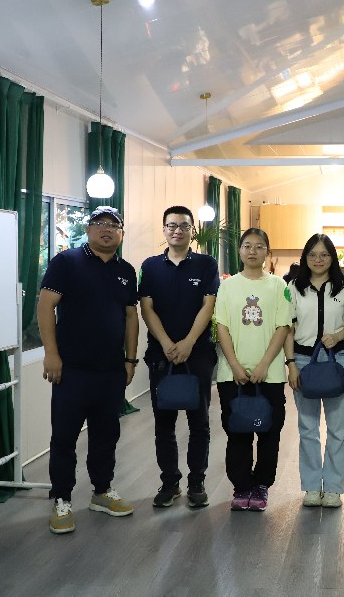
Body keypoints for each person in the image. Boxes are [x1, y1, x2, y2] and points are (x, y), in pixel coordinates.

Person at [37, 206, 139, 535]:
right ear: (88, 228)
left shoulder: (126, 270)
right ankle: (61, 499)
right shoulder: (66, 262)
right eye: (99, 223)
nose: (106, 229)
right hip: (71, 370)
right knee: (64, 437)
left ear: (121, 233)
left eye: (114, 225)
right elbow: (45, 306)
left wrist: (130, 360)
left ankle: (102, 491)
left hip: (110, 371)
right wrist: (51, 354)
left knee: (106, 435)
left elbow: (131, 317)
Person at [138, 205, 219, 509]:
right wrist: (167, 343)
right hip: (161, 355)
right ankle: (170, 482)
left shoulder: (206, 264)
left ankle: (197, 482)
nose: (177, 231)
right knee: (164, 423)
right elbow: (147, 308)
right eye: (171, 225)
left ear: (192, 231)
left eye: (184, 226)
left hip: (198, 354)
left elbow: (208, 306)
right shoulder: (150, 266)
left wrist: (187, 343)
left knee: (199, 422)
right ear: (164, 230)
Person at [214, 228, 293, 512]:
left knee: (269, 432)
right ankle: (241, 486)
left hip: (270, 375)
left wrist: (263, 365)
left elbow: (283, 327)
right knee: (237, 432)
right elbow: (221, 326)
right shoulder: (227, 286)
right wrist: (235, 365)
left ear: (267, 253)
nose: (252, 251)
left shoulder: (279, 286)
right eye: (247, 245)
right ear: (240, 250)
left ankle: (261, 485)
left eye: (259, 246)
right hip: (232, 375)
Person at [284, 234, 344, 508]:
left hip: (336, 361)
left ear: (332, 258)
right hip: (303, 362)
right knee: (308, 427)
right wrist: (290, 364)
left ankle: (333, 488)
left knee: (337, 428)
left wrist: (338, 336)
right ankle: (310, 487)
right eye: (312, 255)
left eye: (324, 254)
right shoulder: (293, 287)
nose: (318, 260)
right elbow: (287, 329)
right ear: (305, 258)